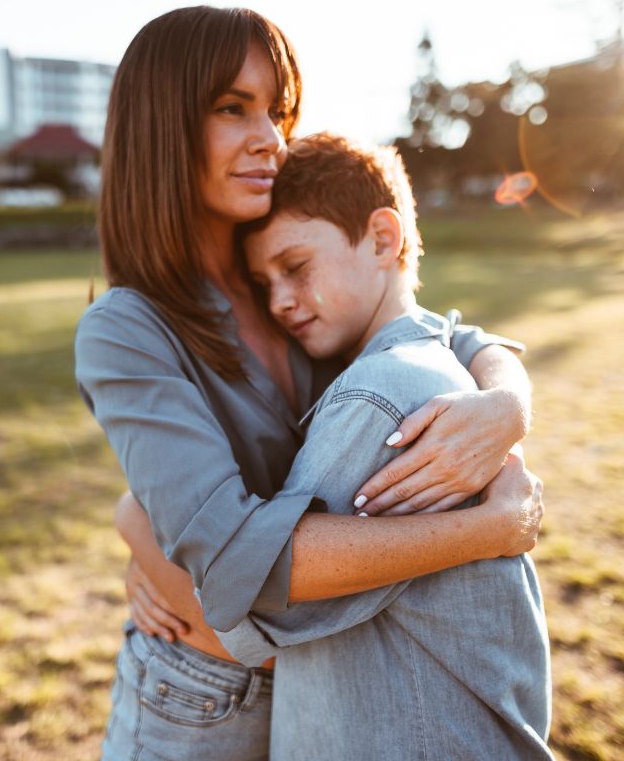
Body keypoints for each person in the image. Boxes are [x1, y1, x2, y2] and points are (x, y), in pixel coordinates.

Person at [74, 6, 543, 761]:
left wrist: (506, 402)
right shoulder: (127, 328)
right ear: (161, 125)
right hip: (198, 701)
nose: (271, 138)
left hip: (327, 691)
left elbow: (444, 333)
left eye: (277, 110)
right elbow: (229, 558)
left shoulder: (283, 284)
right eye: (234, 108)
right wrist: (487, 531)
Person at [208, 132, 551, 758]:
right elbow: (458, 331)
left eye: (295, 267)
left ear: (382, 240)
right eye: (263, 284)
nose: (279, 300)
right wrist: (510, 394)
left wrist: (138, 531)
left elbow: (259, 603)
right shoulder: (430, 360)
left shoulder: (381, 396)